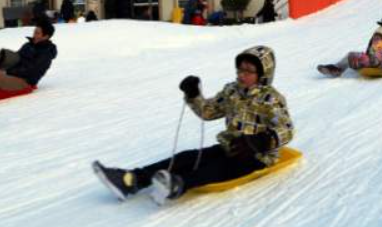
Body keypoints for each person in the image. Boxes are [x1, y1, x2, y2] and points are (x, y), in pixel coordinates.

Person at [92, 46, 294, 204]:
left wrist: (261, 141)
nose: (242, 74)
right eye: (240, 68)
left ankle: (178, 185)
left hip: (257, 156)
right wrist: (193, 94)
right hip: (229, 146)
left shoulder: (271, 99)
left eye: (249, 71)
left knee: (218, 167)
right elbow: (208, 111)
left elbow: (286, 129)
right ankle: (131, 180)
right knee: (187, 157)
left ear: (263, 75)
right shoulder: (232, 91)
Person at [318, 27, 382, 77]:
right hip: (368, 62)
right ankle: (336, 69)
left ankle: (371, 62)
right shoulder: (372, 46)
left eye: (378, 38)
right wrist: (358, 58)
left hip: (380, 64)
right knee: (350, 55)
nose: (375, 40)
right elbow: (367, 55)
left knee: (372, 59)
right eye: (374, 37)